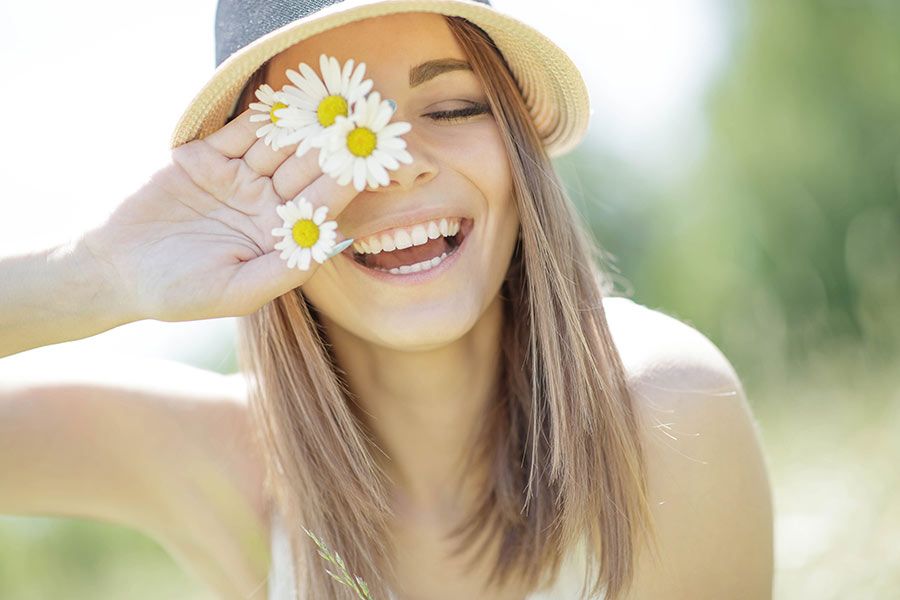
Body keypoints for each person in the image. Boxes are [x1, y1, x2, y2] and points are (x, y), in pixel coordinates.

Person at [0, 1, 774, 599]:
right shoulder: (219, 461)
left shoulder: (666, 416)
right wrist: (99, 273)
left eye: (453, 109)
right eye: (324, 132)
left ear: (519, 146)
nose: (392, 166)